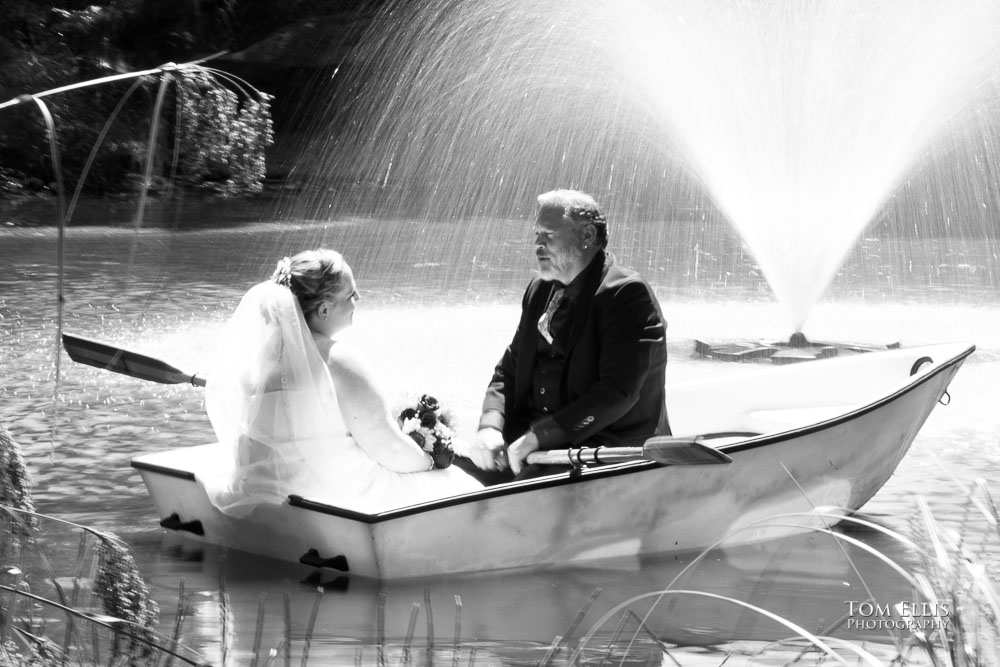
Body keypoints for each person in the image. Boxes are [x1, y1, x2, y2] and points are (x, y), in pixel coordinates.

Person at [203, 249, 482, 516]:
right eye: (350, 294)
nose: (358, 297)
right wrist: (431, 459)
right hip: (335, 500)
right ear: (324, 310)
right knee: (456, 484)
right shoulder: (338, 361)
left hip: (265, 495)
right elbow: (389, 448)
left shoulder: (256, 363)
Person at [459, 189, 670, 482]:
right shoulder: (539, 289)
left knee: (517, 494)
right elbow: (509, 368)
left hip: (603, 454)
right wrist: (490, 427)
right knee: (447, 470)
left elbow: (617, 392)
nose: (537, 244)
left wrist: (539, 436)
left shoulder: (626, 294)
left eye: (548, 234)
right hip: (529, 448)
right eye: (536, 234)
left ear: (586, 235)